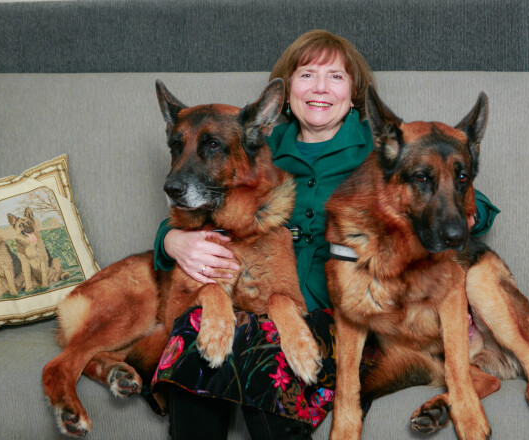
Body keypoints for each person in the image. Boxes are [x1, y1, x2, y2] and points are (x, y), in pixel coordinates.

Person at [151, 30, 499, 440]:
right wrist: (170, 241)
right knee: (198, 333)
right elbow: (201, 203)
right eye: (306, 75)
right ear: (286, 93)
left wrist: (470, 214)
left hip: (353, 320)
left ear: (354, 94)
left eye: (335, 77)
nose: (319, 87)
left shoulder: (382, 148)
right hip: (269, 309)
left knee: (263, 358)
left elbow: (452, 187)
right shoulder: (260, 144)